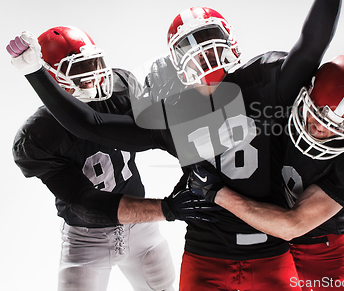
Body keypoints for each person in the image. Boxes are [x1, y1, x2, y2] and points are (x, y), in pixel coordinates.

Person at [7, 0, 344, 290]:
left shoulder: (194, 106)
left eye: (209, 42)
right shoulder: (251, 86)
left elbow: (313, 45)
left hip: (265, 248)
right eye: (193, 48)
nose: (204, 55)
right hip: (211, 249)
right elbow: (91, 125)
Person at [8, 26, 209, 291]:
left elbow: (160, 134)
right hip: (86, 239)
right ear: (53, 77)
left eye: (92, 64)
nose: (92, 76)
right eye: (79, 70)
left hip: (142, 231)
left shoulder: (122, 90)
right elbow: (86, 203)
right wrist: (167, 208)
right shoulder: (39, 135)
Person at [189, 55, 344, 291]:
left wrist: (216, 192)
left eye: (336, 127)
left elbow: (292, 225)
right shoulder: (281, 101)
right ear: (306, 91)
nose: (320, 127)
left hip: (323, 250)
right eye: (316, 112)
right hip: (272, 248)